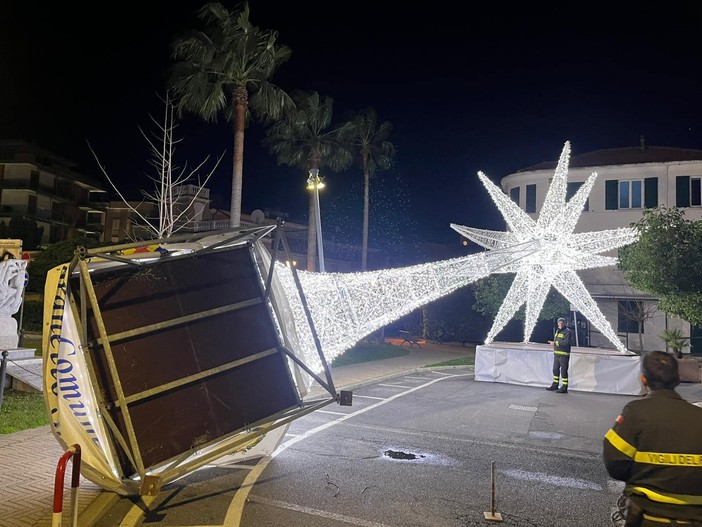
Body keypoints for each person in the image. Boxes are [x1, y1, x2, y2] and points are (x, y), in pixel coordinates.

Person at [603, 350, 702, 526]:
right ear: (677, 379)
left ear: (643, 379)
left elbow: (614, 461)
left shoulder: (635, 412)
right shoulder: (698, 416)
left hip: (647, 517)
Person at [546, 317, 572, 393]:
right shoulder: (557, 331)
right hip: (557, 354)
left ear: (564, 323)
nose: (560, 324)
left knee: (563, 371)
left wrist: (555, 343)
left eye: (561, 323)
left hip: (564, 354)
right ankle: (555, 385)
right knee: (555, 370)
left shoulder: (567, 332)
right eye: (559, 323)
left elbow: (566, 343)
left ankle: (564, 387)